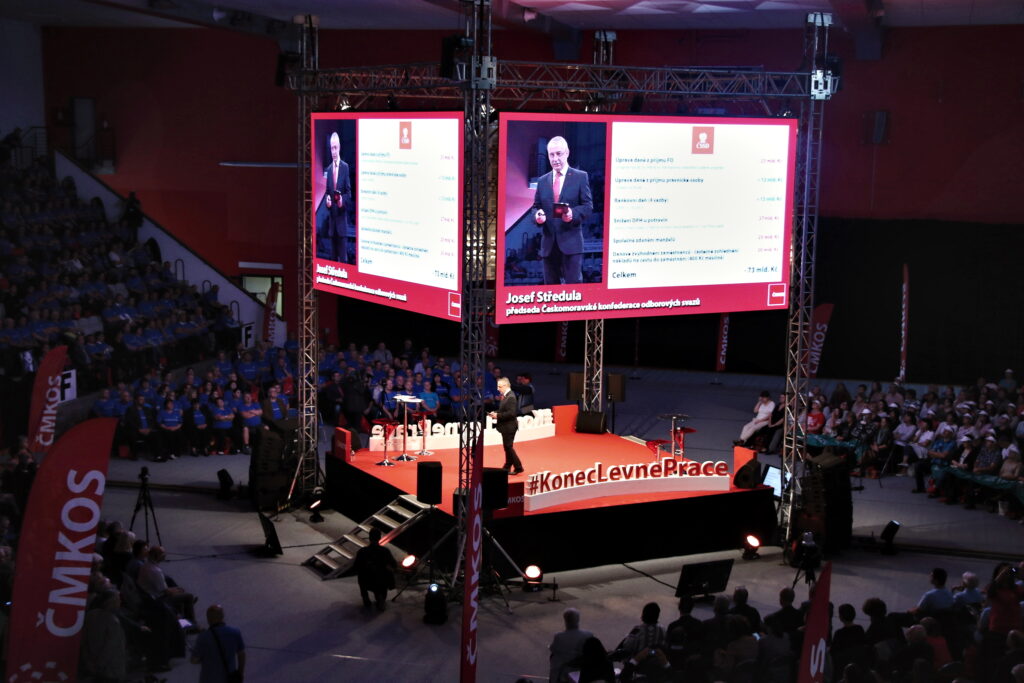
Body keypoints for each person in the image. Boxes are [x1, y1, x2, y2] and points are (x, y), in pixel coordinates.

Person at [531, 136, 593, 285]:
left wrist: (572, 214)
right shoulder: (542, 181)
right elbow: (536, 207)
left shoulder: (580, 177)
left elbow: (587, 206)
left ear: (567, 153)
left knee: (573, 291)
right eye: (551, 155)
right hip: (548, 246)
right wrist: (537, 216)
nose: (555, 159)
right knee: (550, 292)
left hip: (571, 244)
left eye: (558, 154)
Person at [191, 604, 246, 683]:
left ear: (208, 619)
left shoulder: (203, 637)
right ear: (222, 617)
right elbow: (241, 654)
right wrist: (240, 673)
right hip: (228, 678)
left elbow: (194, 660)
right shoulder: (235, 632)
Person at [321, 131, 352, 263]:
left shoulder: (345, 167)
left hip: (342, 225)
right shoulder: (328, 170)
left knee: (343, 260)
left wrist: (341, 201)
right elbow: (327, 192)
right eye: (331, 148)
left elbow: (349, 194)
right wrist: (327, 201)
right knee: (333, 261)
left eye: (335, 148)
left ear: (339, 147)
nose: (333, 151)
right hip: (332, 225)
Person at [352, 528, 396, 611]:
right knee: (386, 574)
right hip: (381, 580)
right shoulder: (385, 551)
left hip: (366, 580)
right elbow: (394, 564)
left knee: (361, 575)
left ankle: (365, 597)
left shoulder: (362, 551)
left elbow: (356, 566)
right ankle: (381, 598)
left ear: (369, 538)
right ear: (379, 538)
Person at [549, 607, 593, 683]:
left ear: (565, 621)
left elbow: (553, 649)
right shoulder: (588, 634)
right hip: (583, 667)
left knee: (555, 659)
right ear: (578, 620)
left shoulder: (559, 636)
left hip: (566, 668)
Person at [490, 377, 523, 475]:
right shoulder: (507, 396)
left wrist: (497, 415)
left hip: (509, 426)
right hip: (506, 426)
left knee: (508, 447)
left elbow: (511, 413)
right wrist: (495, 413)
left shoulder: (510, 397)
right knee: (507, 447)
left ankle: (518, 467)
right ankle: (507, 466)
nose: (497, 389)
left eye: (499, 387)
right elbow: (504, 410)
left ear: (505, 386)